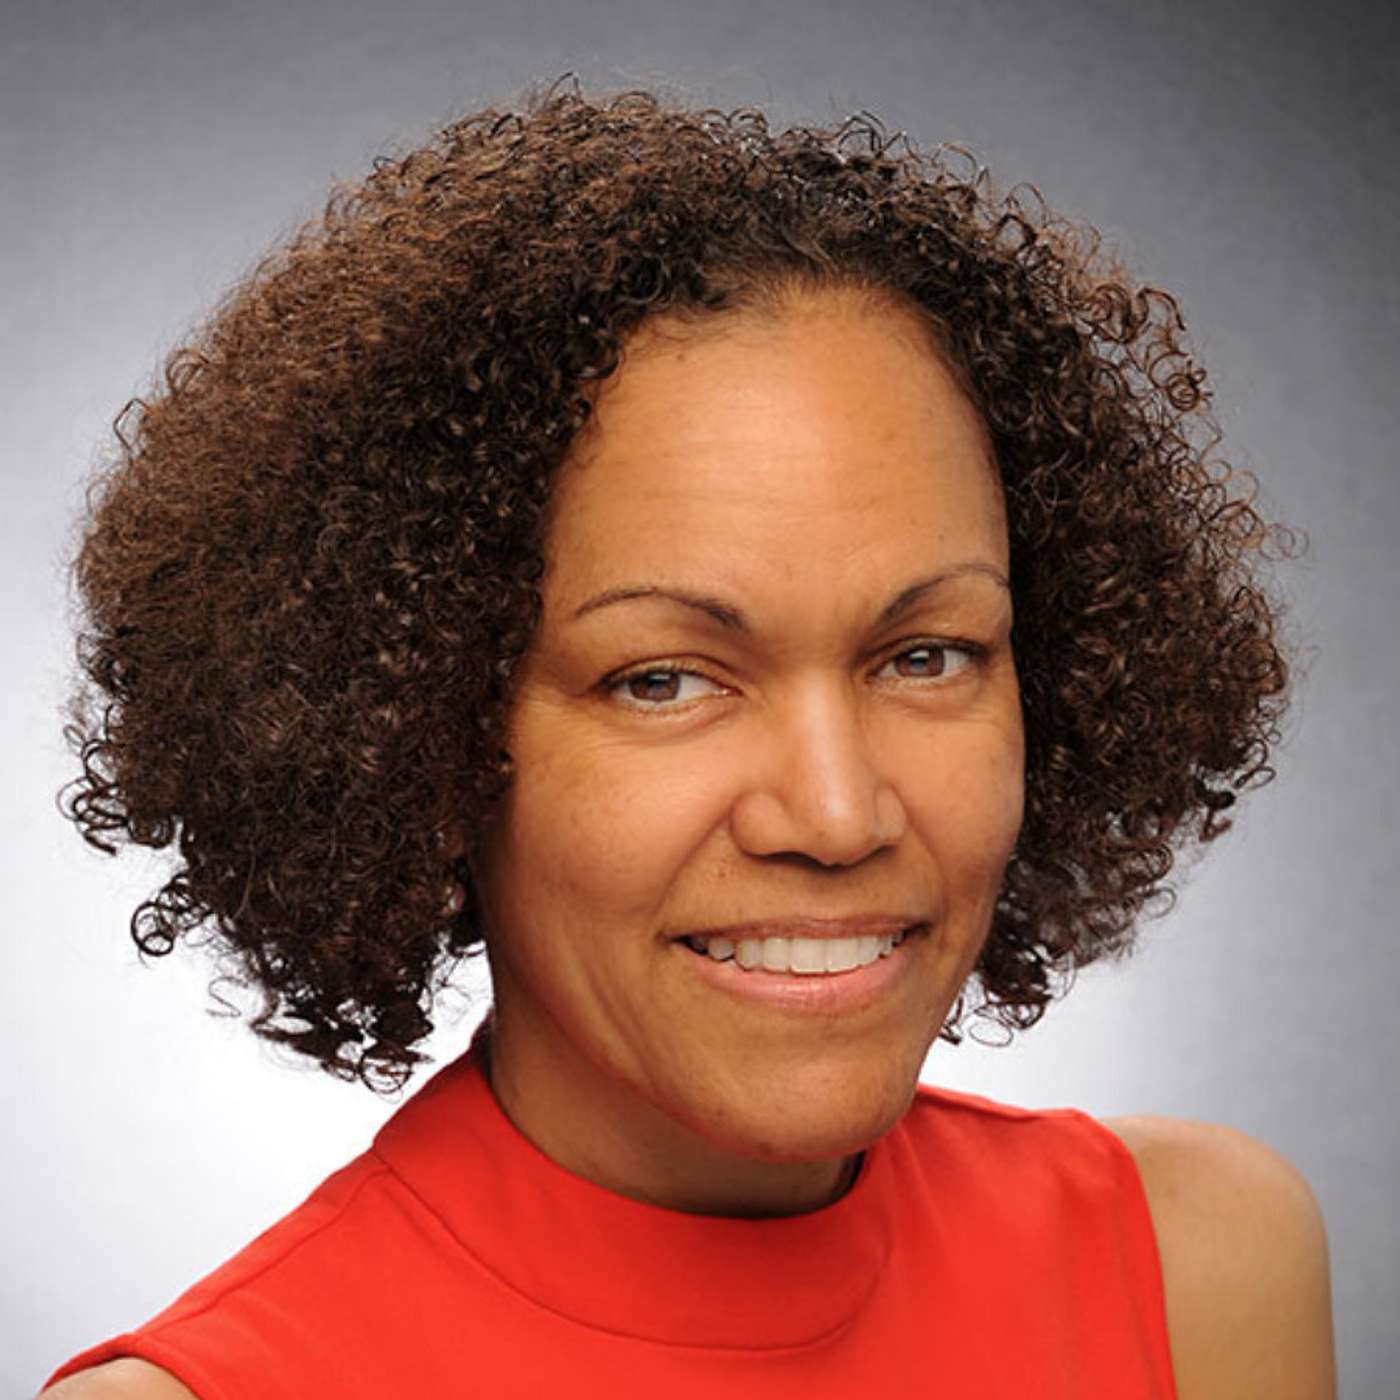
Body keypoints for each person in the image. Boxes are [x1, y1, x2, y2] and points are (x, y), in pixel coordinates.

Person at [41, 85, 1335, 1397]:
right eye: (663, 681)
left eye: (926, 655)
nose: (837, 815)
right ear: (415, 743)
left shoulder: (1198, 1273)